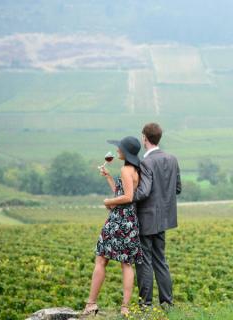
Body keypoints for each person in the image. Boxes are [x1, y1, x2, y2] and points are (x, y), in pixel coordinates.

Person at [82, 136, 143, 316]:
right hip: (130, 220)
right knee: (126, 263)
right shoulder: (134, 169)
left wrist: (108, 201)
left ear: (126, 151)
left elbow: (128, 197)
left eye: (119, 148)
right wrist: (109, 178)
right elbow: (122, 192)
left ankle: (91, 303)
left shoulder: (126, 170)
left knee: (101, 259)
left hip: (118, 220)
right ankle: (125, 308)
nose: (117, 151)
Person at [134, 122, 181, 308]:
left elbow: (144, 192)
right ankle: (167, 303)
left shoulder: (145, 162)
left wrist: (127, 197)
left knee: (144, 260)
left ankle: (145, 304)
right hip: (164, 219)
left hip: (146, 219)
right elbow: (177, 188)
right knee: (160, 260)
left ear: (144, 137)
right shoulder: (172, 159)